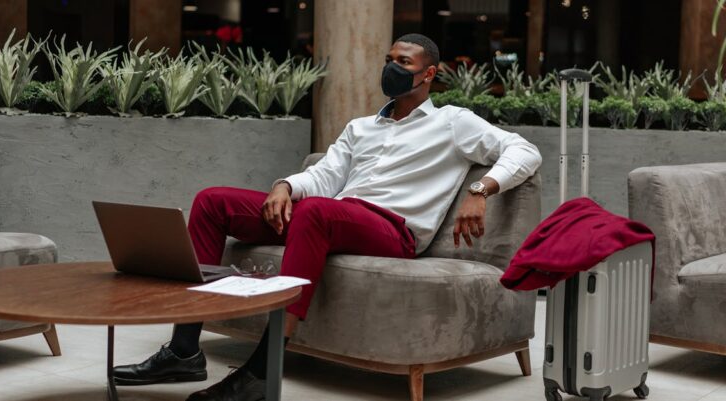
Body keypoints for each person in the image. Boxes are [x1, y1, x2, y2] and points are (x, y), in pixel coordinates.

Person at [113, 33, 542, 401]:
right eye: (389, 60)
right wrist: (284, 186)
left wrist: (481, 189)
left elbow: (524, 150)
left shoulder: (453, 122)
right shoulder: (361, 127)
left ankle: (262, 372)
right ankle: (184, 351)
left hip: (393, 230)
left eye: (403, 63)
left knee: (317, 212)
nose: (391, 68)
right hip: (332, 216)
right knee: (213, 201)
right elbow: (324, 175)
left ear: (428, 74)